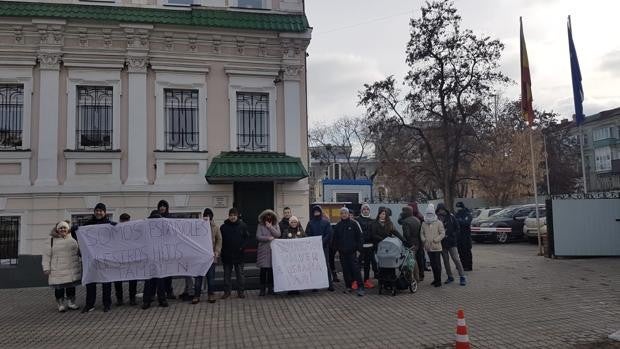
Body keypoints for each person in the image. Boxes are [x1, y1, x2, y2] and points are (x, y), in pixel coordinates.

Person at [78, 203, 116, 313]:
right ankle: (89, 304)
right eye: (97, 210)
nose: (98, 213)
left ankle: (107, 304)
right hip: (92, 258)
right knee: (90, 281)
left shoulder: (109, 224)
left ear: (105, 212)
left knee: (106, 282)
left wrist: (116, 227)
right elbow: (79, 235)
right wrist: (76, 229)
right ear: (94, 212)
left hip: (105, 258)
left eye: (101, 211)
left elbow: (118, 236)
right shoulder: (88, 224)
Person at [42, 221, 82, 312]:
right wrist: (46, 268)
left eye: (64, 228)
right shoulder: (51, 240)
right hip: (58, 268)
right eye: (61, 228)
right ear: (57, 229)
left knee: (71, 287)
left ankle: (71, 303)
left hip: (71, 267)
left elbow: (79, 251)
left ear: (68, 229)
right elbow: (46, 255)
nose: (63, 229)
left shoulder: (73, 238)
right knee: (59, 287)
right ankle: (60, 304)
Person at [192, 208, 222, 304]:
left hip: (211, 256)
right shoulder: (198, 227)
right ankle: (196, 295)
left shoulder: (215, 227)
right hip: (199, 257)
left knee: (211, 277)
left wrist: (217, 252)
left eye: (209, 215)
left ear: (212, 217)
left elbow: (219, 240)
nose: (207, 217)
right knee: (198, 277)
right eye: (206, 215)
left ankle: (211, 294)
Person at [332, 207, 365, 296]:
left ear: (348, 214)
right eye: (342, 213)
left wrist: (359, 250)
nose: (343, 215)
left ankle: (361, 287)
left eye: (345, 213)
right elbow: (335, 239)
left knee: (356, 270)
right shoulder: (338, 225)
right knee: (345, 271)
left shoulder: (354, 224)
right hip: (342, 252)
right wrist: (337, 250)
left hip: (353, 252)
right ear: (340, 215)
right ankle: (348, 286)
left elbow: (360, 237)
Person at [142, 209, 169, 310]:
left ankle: (162, 299)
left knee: (160, 280)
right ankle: (147, 300)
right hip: (149, 258)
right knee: (149, 281)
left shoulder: (162, 230)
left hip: (159, 258)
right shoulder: (145, 229)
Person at [220, 208, 249, 299]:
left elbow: (247, 238)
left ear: (237, 216)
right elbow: (220, 240)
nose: (232, 217)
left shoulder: (243, 225)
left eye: (234, 215)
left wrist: (242, 247)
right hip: (227, 255)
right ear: (228, 216)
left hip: (239, 255)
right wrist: (222, 250)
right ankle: (227, 292)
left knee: (240, 275)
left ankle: (241, 292)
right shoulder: (223, 227)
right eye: (231, 215)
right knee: (226, 275)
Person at [150, 200, 177, 300]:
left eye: (164, 206)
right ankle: (152, 294)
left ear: (167, 207)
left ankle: (169, 292)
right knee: (154, 274)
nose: (162, 207)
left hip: (167, 251)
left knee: (168, 274)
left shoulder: (170, 219)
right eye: (160, 206)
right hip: (155, 251)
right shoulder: (153, 217)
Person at [305, 205, 335, 292]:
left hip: (324, 247)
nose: (316, 213)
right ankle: (315, 285)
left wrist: (321, 242)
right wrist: (313, 242)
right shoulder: (310, 223)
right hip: (313, 248)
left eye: (318, 211)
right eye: (315, 211)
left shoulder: (326, 222)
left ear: (320, 212)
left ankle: (330, 284)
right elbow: (307, 234)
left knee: (326, 265)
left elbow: (329, 234)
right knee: (314, 266)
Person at [436, 203, 467, 286]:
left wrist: (453, 236)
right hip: (442, 243)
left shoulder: (451, 217)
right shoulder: (436, 218)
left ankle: (462, 276)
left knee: (456, 259)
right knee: (446, 261)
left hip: (452, 243)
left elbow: (457, 228)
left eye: (442, 210)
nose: (440, 212)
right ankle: (450, 276)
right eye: (439, 210)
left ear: (445, 209)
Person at [113, 213, 138, 306]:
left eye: (127, 221)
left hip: (131, 259)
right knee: (118, 280)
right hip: (119, 259)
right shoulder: (115, 230)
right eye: (123, 221)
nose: (125, 223)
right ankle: (119, 299)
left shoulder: (133, 231)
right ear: (120, 221)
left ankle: (132, 298)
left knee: (132, 280)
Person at [256, 209, 281, 296]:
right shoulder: (260, 225)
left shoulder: (275, 224)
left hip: (273, 251)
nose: (268, 217)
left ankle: (271, 288)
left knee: (271, 271)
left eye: (270, 215)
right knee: (263, 271)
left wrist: (270, 227)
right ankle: (262, 289)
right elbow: (258, 236)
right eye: (267, 215)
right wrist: (267, 238)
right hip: (263, 250)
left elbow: (278, 234)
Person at [420, 204, 445, 287]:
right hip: (428, 247)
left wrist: (436, 240)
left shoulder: (438, 223)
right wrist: (424, 240)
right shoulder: (424, 223)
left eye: (431, 213)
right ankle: (435, 279)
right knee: (433, 264)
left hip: (437, 247)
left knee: (437, 264)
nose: (429, 215)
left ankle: (439, 281)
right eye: (428, 213)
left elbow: (442, 233)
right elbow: (421, 233)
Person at [398, 206, 422, 282]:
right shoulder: (417, 219)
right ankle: (417, 277)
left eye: (403, 211)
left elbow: (407, 235)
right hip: (417, 242)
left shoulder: (406, 222)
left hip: (410, 243)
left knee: (411, 261)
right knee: (414, 260)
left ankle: (412, 278)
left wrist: (405, 242)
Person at [357, 203, 377, 289]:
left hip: (370, 246)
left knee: (367, 265)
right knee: (357, 264)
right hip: (360, 246)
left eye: (367, 209)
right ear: (361, 210)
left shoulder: (372, 220)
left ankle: (366, 280)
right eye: (364, 209)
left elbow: (374, 233)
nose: (365, 211)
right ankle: (356, 280)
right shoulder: (357, 220)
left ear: (369, 210)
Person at [455, 202, 473, 271]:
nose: (458, 209)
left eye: (459, 207)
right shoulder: (456, 214)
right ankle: (462, 265)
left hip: (466, 236)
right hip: (459, 236)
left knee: (467, 251)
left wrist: (459, 221)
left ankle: (468, 266)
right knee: (460, 251)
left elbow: (466, 223)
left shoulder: (467, 214)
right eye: (457, 208)